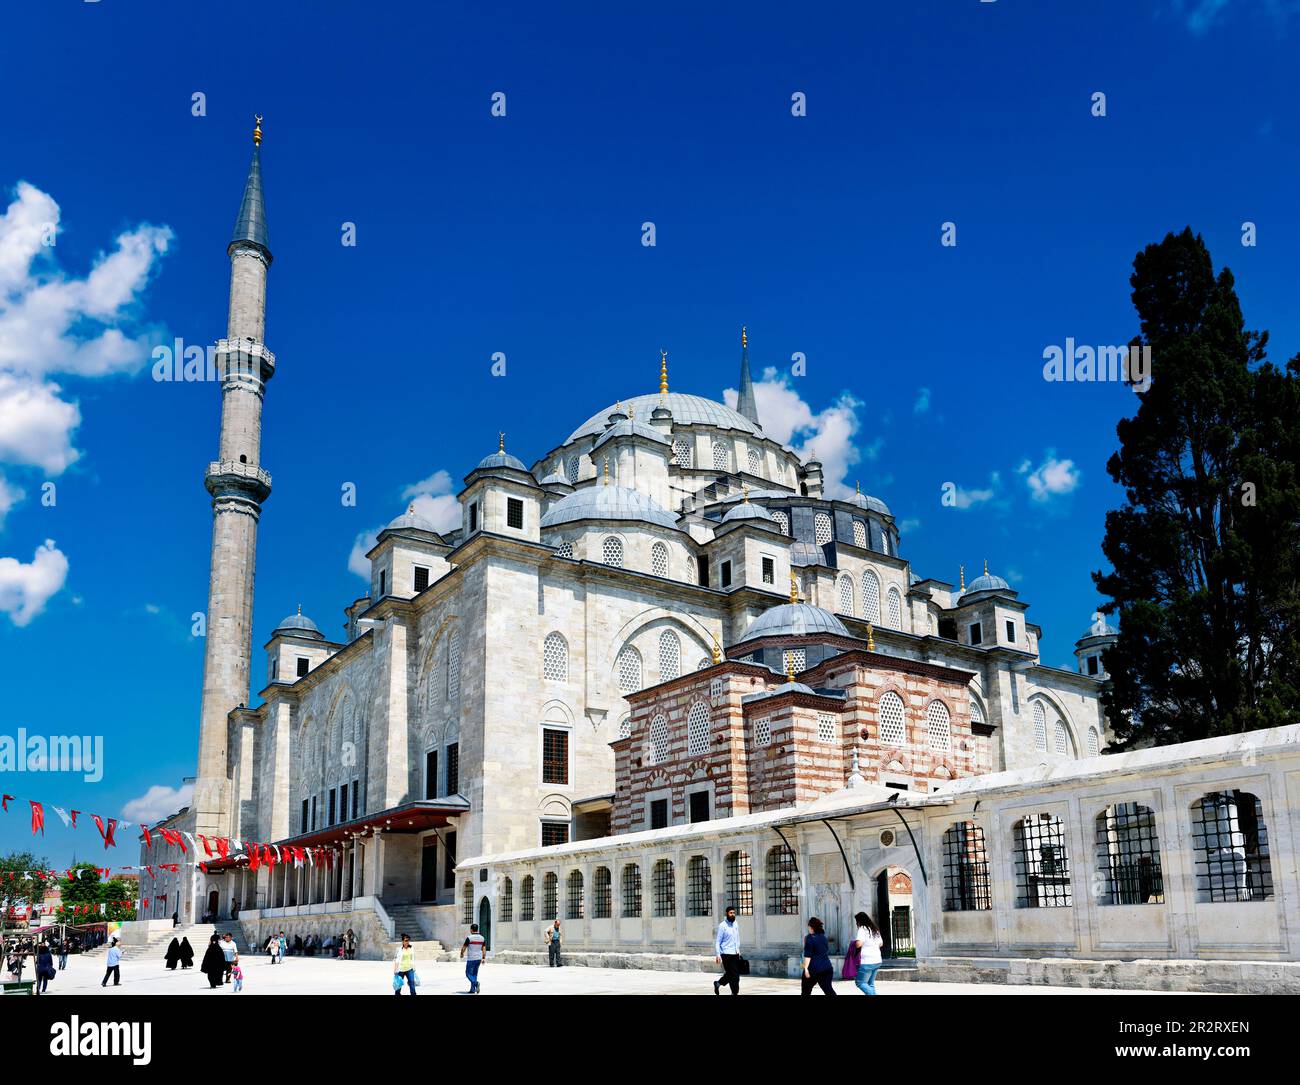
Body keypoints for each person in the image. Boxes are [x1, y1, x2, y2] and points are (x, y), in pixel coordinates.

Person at [800, 917, 836, 996]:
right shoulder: (823, 937)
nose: (808, 928)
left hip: (813, 970)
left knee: (805, 991)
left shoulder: (809, 938)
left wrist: (805, 969)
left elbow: (807, 956)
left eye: (809, 926)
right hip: (827, 969)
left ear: (811, 927)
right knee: (829, 991)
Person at [712, 905, 743, 995]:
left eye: (733, 913)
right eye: (730, 913)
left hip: (735, 953)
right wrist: (718, 954)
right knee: (735, 976)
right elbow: (718, 941)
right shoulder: (722, 926)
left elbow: (737, 938)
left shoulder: (736, 923)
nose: (732, 914)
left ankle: (718, 983)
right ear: (727, 914)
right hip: (726, 954)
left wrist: (738, 950)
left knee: (730, 974)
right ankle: (734, 993)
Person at [851, 912, 884, 995]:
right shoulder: (874, 929)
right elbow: (881, 944)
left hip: (867, 961)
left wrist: (854, 943)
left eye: (856, 921)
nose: (856, 923)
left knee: (860, 982)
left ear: (859, 921)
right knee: (870, 984)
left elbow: (859, 944)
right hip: (877, 960)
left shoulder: (862, 929)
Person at [460, 923, 486, 994]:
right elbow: (484, 948)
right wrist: (483, 957)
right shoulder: (482, 938)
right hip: (479, 958)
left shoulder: (469, 938)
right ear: (477, 929)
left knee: (468, 973)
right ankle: (472, 990)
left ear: (471, 930)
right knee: (474, 974)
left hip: (471, 959)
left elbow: (464, 947)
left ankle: (476, 983)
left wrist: (461, 953)